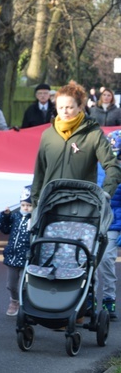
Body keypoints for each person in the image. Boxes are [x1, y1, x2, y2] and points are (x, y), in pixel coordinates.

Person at [30, 81, 121, 208]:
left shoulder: (93, 134)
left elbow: (112, 166)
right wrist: (34, 206)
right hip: (49, 207)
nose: (64, 112)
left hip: (82, 208)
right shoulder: (48, 135)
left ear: (79, 107)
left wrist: (106, 193)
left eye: (69, 107)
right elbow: (39, 172)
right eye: (60, 107)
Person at [96, 130, 121, 320]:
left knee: (105, 260)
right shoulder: (95, 166)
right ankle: (88, 296)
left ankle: (108, 297)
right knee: (88, 260)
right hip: (93, 220)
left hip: (114, 222)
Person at [0, 186, 33, 316]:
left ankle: (26, 305)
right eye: (23, 204)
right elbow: (5, 229)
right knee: (11, 285)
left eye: (29, 205)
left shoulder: (34, 219)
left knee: (25, 286)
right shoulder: (16, 217)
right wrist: (5, 216)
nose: (26, 208)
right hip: (12, 256)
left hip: (27, 257)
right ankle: (14, 301)